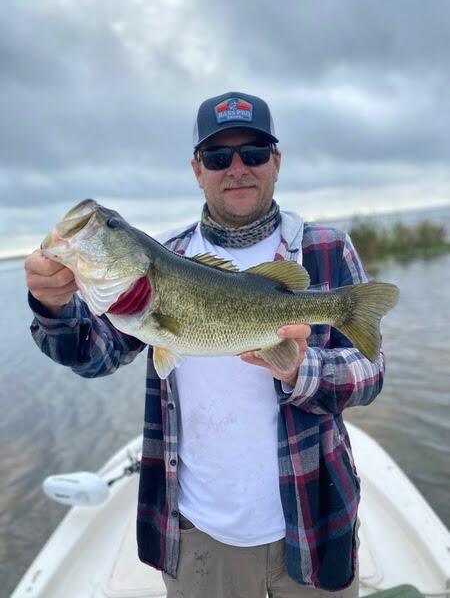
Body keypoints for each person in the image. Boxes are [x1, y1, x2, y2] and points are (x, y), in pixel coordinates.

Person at [25, 91, 385, 597]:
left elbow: (371, 373)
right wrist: (54, 307)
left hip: (313, 518)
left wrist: (302, 370)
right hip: (198, 533)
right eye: (218, 157)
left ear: (276, 162)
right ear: (198, 169)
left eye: (254, 153)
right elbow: (93, 355)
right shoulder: (165, 260)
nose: (237, 168)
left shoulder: (325, 249)